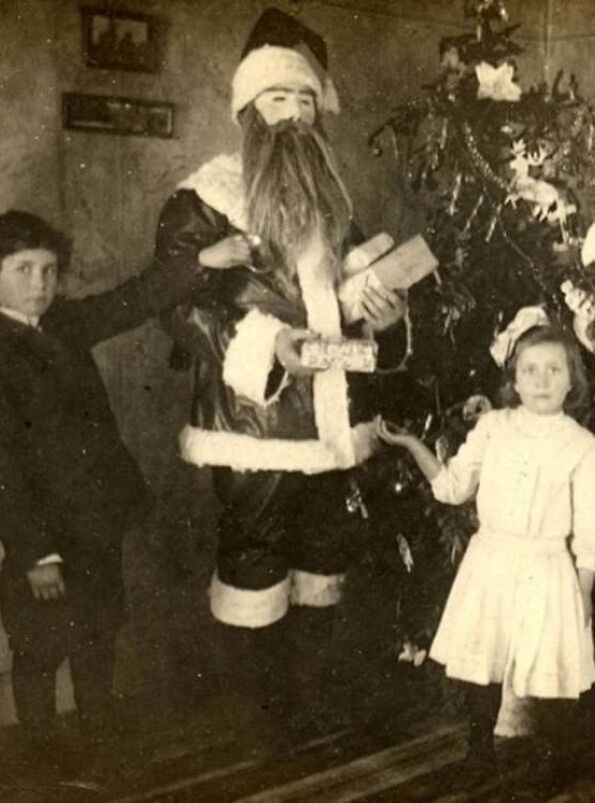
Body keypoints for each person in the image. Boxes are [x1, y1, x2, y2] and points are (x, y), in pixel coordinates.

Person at [153, 8, 414, 738]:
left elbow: (357, 296)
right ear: (249, 112)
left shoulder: (334, 205)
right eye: (279, 101)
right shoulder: (202, 199)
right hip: (255, 421)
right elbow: (178, 309)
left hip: (331, 418)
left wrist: (383, 311)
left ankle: (309, 705)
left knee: (323, 556)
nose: (296, 115)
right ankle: (261, 719)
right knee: (255, 560)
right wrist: (269, 347)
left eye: (306, 101)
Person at [0, 210, 228, 778]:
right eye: (23, 269)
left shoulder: (63, 323)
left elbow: (131, 300)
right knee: (39, 649)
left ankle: (100, 749)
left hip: (97, 522)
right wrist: (34, 555)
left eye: (50, 270)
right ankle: (42, 765)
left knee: (97, 635)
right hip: (45, 543)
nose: (40, 284)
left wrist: (200, 262)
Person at [377, 313, 595, 784]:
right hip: (491, 559)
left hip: (548, 567)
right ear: (514, 380)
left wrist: (582, 593)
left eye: (554, 370)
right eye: (530, 370)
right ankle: (478, 751)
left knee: (547, 664)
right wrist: (409, 444)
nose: (542, 380)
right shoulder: (494, 428)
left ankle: (549, 762)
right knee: (481, 662)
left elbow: (589, 533)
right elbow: (451, 488)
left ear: (572, 380)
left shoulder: (587, 450)